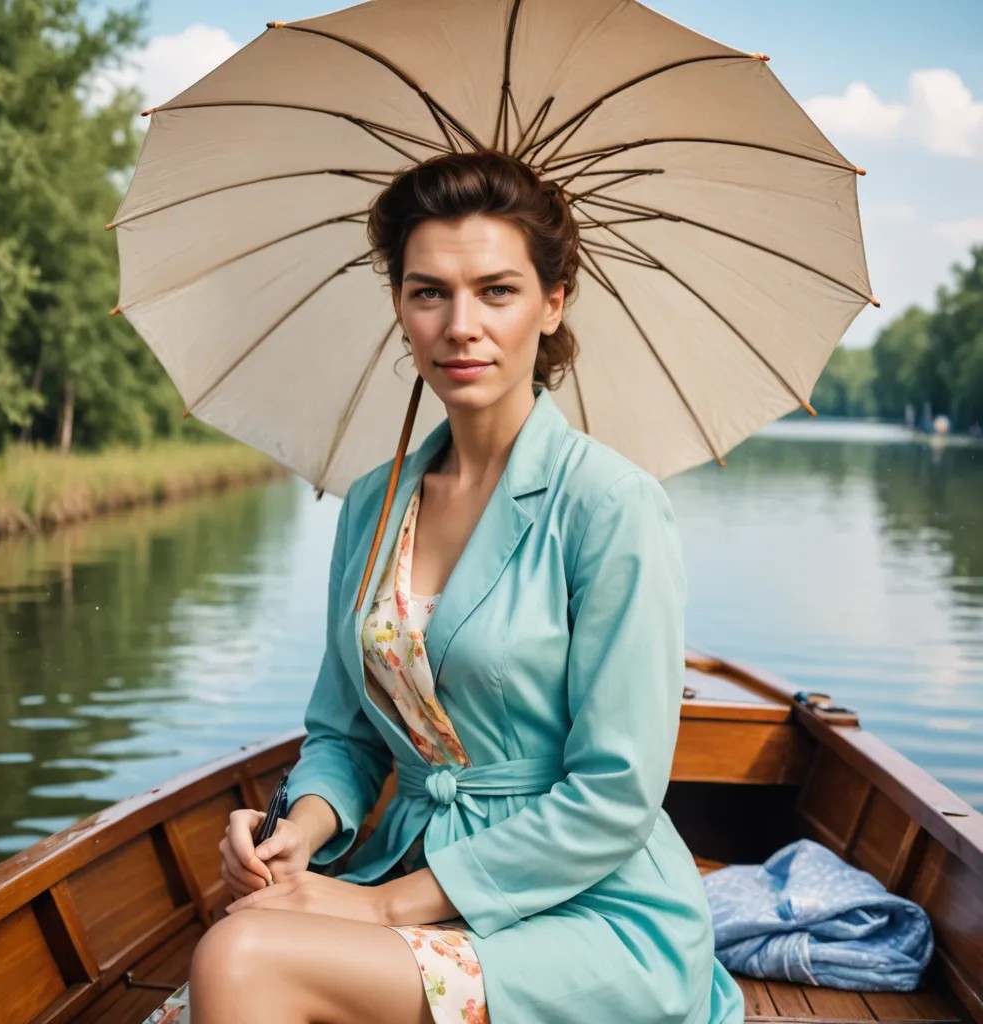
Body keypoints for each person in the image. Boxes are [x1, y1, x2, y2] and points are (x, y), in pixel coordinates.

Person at [188, 151, 745, 1024]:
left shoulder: (610, 505)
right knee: (246, 935)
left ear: (553, 303)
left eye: (496, 290)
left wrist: (379, 907)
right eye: (428, 292)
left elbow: (615, 797)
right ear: (401, 310)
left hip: (591, 911)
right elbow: (345, 736)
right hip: (402, 866)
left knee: (243, 955)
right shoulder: (374, 503)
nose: (460, 326)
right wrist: (297, 831)